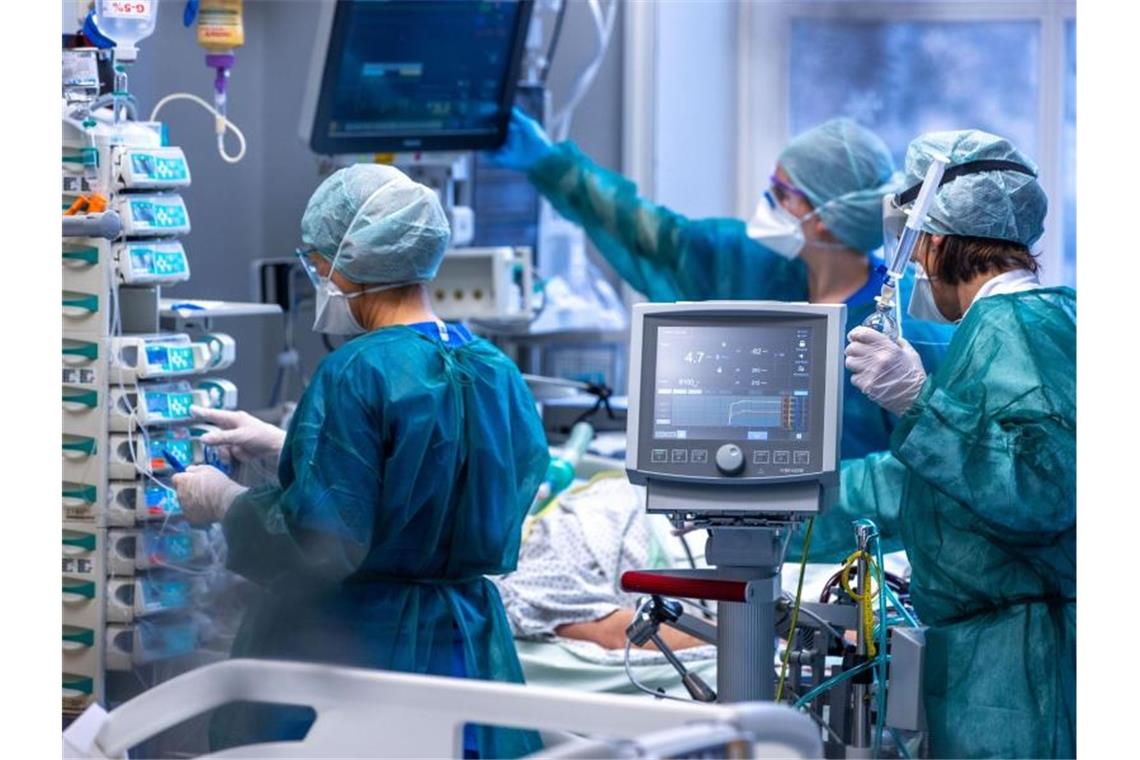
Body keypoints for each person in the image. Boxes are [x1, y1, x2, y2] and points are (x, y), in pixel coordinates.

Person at [172, 164, 550, 758]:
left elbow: (318, 545)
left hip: (359, 641)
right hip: (465, 636)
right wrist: (286, 446)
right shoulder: (493, 369)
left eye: (318, 261)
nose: (316, 273)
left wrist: (226, 502)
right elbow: (436, 478)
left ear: (348, 261)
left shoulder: (356, 370)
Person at [489, 110, 955, 461]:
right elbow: (655, 238)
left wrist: (815, 514)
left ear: (825, 221)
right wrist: (551, 164)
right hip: (749, 516)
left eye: (782, 191)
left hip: (860, 551)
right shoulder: (756, 268)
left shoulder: (910, 321)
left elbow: (931, 458)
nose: (767, 197)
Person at [816, 130, 1075, 758]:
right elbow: (943, 481)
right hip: (1004, 649)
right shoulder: (1037, 320)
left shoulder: (1013, 325)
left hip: (1019, 670)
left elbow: (1045, 490)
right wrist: (797, 502)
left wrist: (919, 402)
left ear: (932, 241)